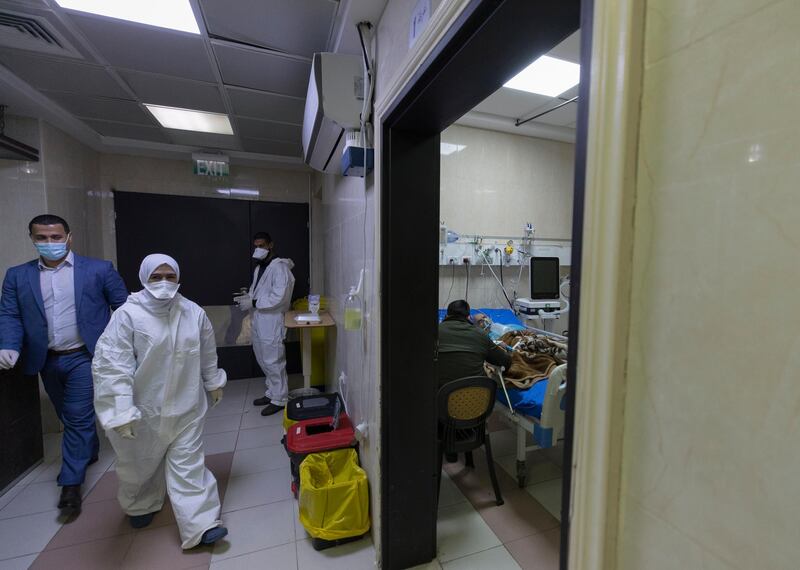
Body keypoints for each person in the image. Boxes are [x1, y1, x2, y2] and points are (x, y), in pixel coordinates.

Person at [92, 254, 228, 548]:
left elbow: (207, 353)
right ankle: (141, 504)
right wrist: (120, 410)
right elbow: (112, 366)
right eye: (156, 276)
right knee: (139, 465)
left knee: (189, 466)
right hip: (142, 411)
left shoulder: (193, 312)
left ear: (179, 279)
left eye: (170, 276)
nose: (164, 282)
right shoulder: (127, 316)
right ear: (143, 278)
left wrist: (213, 381)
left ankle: (202, 524)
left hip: (187, 407)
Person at [0, 214, 128, 518]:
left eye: (56, 237)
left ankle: (70, 486)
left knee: (76, 415)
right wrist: (8, 344)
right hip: (46, 359)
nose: (49, 243)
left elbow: (124, 307)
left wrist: (119, 346)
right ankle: (90, 449)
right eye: (41, 238)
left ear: (68, 238)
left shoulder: (98, 270)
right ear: (31, 239)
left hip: (85, 355)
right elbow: (10, 315)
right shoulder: (17, 276)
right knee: (68, 415)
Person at [234, 232, 295, 416]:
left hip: (272, 319)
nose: (258, 249)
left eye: (262, 245)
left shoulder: (280, 268)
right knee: (262, 357)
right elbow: (257, 291)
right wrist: (247, 298)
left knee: (273, 359)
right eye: (256, 246)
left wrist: (254, 302)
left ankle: (280, 398)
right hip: (259, 318)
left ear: (270, 245)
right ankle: (271, 393)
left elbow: (280, 297)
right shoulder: (259, 268)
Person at [437, 300, 512, 388]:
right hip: (476, 395)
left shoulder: (435, 331)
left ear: (446, 316)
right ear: (469, 317)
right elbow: (505, 360)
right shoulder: (480, 334)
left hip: (442, 393)